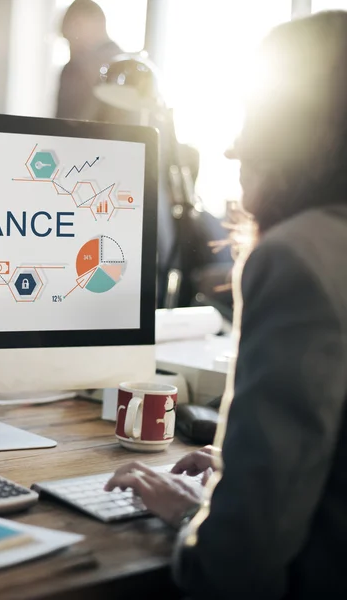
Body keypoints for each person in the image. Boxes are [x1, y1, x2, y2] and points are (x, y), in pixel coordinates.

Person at [105, 11, 347, 599]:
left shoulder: (300, 257)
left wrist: (194, 516)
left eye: (252, 117)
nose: (234, 146)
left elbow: (241, 558)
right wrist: (240, 473)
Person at [56, 0, 127, 123]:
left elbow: (61, 129)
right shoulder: (130, 69)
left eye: (69, 40)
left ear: (78, 24)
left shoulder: (74, 70)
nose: (71, 50)